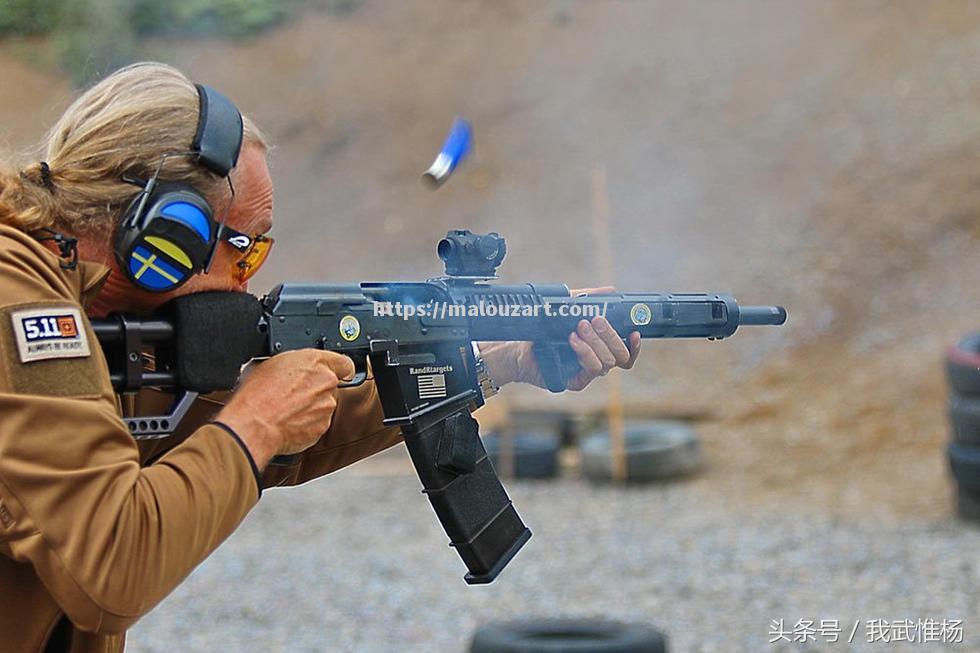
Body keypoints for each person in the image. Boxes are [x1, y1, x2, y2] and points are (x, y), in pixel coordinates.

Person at [0, 62, 641, 652]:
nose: (248, 281)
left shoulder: (105, 311)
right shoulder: (19, 302)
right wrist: (256, 422)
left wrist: (493, 358)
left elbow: (231, 439)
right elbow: (113, 565)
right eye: (244, 248)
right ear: (166, 231)